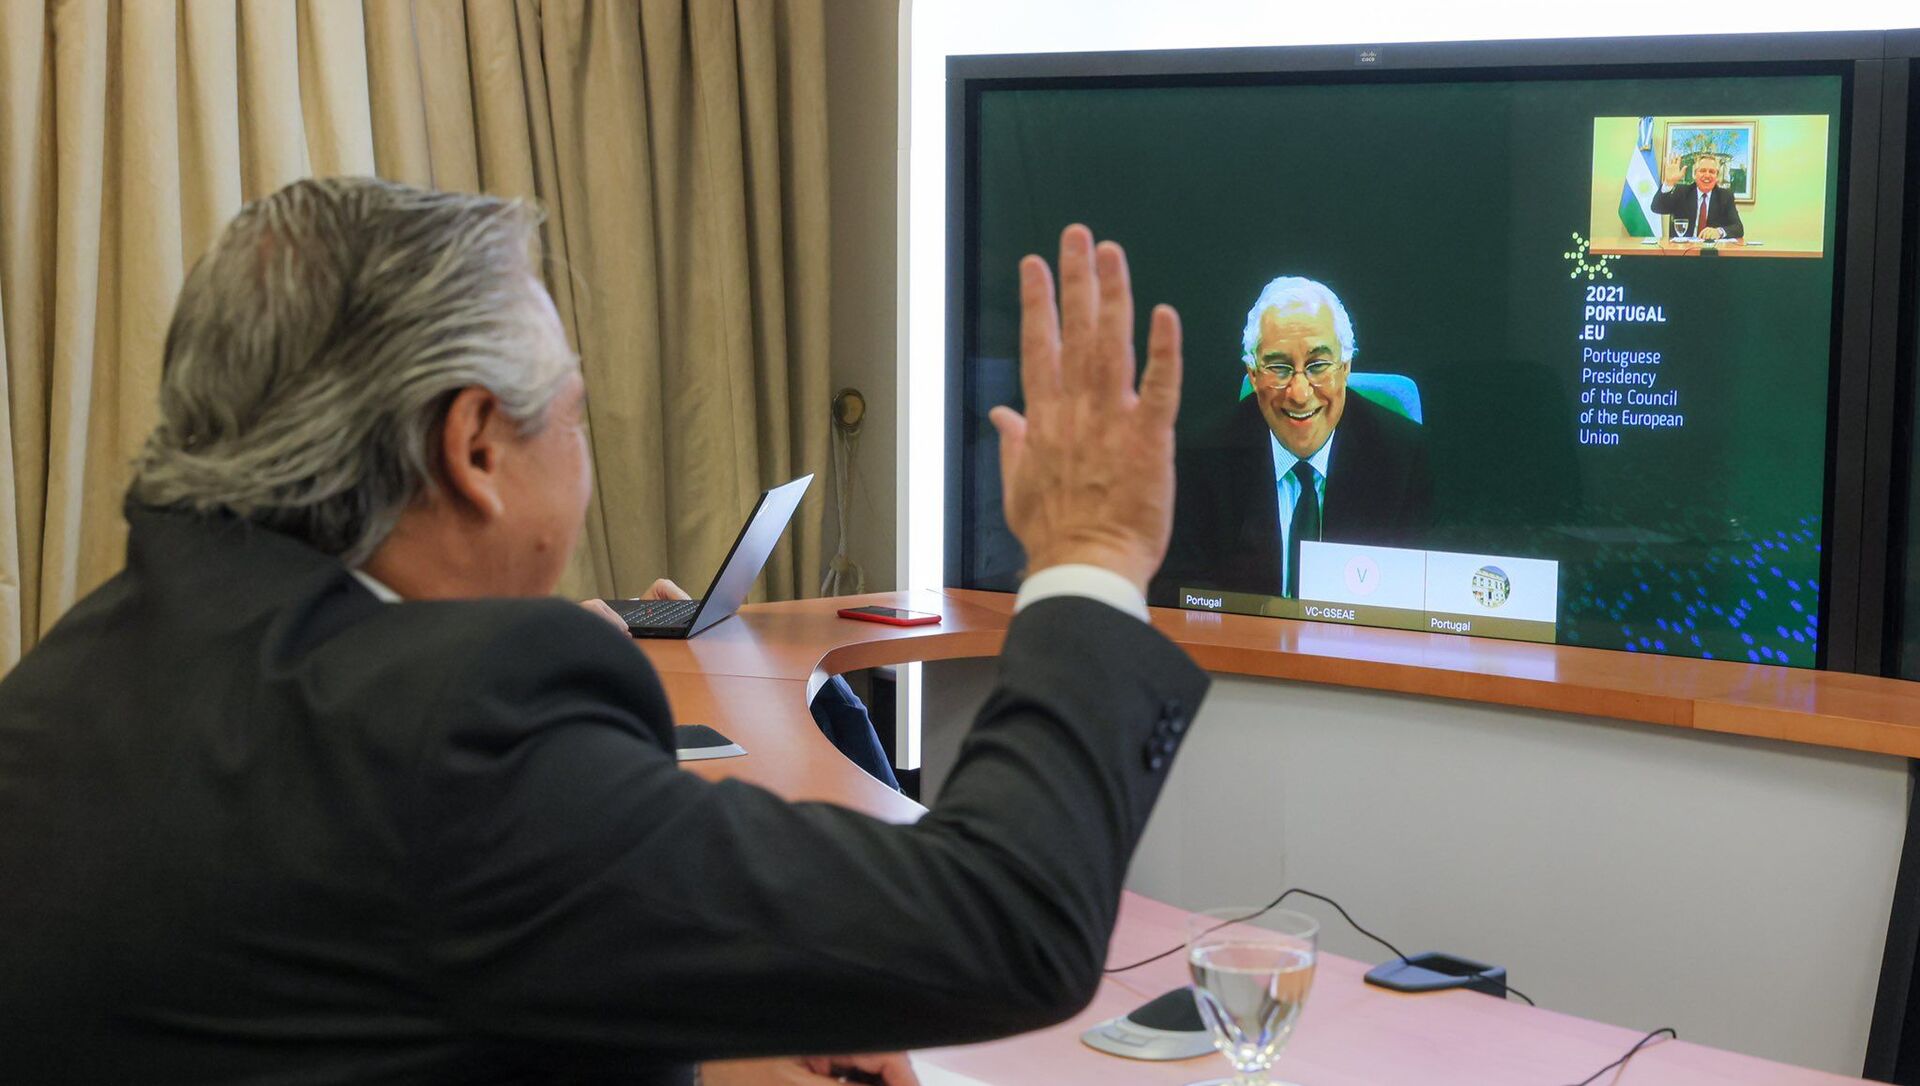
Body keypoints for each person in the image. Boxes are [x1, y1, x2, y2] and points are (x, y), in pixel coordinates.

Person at [0, 179, 1205, 1084]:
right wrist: (1090, 554)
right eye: (572, 416)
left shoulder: (68, 683)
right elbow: (1003, 924)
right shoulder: (444, 736)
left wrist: (713, 1021)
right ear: (474, 449)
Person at [1157, 276, 1431, 602]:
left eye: (1317, 365)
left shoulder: (1405, 459)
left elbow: (1422, 600)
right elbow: (1177, 596)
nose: (1299, 394)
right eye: (1279, 367)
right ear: (1253, 374)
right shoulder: (1199, 460)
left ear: (1345, 367)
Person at [1650, 152, 1745, 241]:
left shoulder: (1725, 196)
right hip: (1682, 253)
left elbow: (1738, 228)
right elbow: (1657, 208)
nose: (1707, 175)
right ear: (1695, 174)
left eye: (1712, 172)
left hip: (1711, 253)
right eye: (1702, 171)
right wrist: (1668, 183)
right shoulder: (1682, 192)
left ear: (1717, 176)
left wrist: (1718, 232)